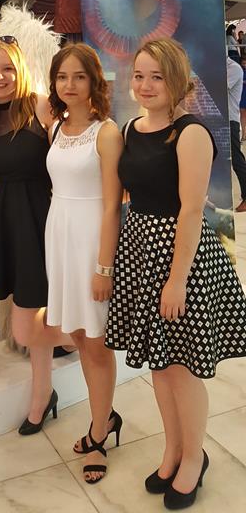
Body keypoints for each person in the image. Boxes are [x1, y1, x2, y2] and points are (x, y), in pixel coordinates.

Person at [105, 38, 246, 510]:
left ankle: (194, 457)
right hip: (142, 253)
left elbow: (190, 211)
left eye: (157, 77)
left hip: (181, 259)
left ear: (177, 81)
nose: (145, 85)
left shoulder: (191, 133)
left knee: (183, 369)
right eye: (139, 76)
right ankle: (173, 450)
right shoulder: (130, 128)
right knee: (160, 367)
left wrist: (177, 280)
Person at [45, 43, 123, 484]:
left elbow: (112, 206)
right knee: (77, 334)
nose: (69, 85)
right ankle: (104, 417)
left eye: (79, 76)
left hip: (92, 241)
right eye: (62, 77)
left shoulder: (106, 133)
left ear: (94, 81)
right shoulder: (55, 126)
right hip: (60, 237)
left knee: (96, 341)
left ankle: (99, 433)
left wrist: (103, 267)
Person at [0, 37, 65, 432]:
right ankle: (43, 394)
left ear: (21, 71)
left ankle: (87, 356)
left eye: (8, 68)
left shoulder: (41, 105)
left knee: (31, 322)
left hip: (41, 217)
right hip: (5, 221)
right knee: (27, 316)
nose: (0, 76)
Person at [226, 55, 246, 212]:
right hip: (219, 119)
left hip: (230, 120)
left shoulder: (233, 68)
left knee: (237, 159)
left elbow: (218, 89)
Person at [240, 55, 246, 142]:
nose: (244, 65)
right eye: (243, 63)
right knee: (242, 114)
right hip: (242, 94)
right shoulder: (240, 71)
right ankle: (244, 134)